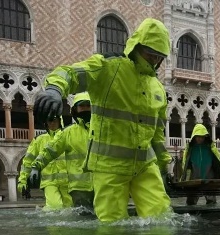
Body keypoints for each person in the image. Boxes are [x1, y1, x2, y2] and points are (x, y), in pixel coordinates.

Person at [33, 18, 172, 223]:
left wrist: (163, 167)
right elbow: (71, 73)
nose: (153, 60)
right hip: (109, 166)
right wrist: (55, 89)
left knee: (162, 219)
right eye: (150, 53)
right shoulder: (109, 67)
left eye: (158, 56)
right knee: (112, 226)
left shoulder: (157, 88)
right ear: (136, 46)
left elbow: (157, 135)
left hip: (145, 166)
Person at [30, 92, 94, 211]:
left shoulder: (103, 130)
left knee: (106, 218)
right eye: (81, 106)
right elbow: (49, 151)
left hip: (102, 183)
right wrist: (36, 166)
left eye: (88, 105)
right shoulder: (68, 132)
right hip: (79, 188)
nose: (85, 109)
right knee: (83, 221)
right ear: (75, 110)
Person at [18, 116, 72, 209]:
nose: (52, 123)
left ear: (60, 121)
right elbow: (27, 161)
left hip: (68, 182)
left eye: (55, 120)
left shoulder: (68, 136)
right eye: (49, 121)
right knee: (55, 206)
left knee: (70, 209)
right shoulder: (39, 140)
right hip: (49, 182)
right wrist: (22, 181)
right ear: (46, 123)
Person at [180, 123, 220, 206]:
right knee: (190, 202)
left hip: (209, 178)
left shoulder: (210, 147)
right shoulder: (190, 148)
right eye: (198, 136)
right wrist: (185, 178)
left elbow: (218, 160)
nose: (200, 139)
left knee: (211, 202)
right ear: (194, 136)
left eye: (202, 137)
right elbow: (185, 163)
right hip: (194, 179)